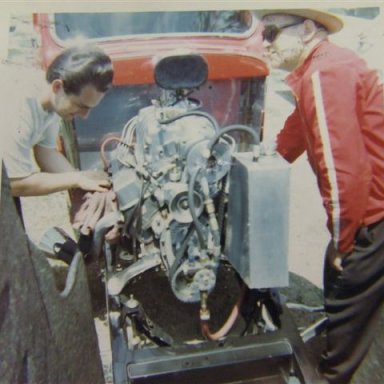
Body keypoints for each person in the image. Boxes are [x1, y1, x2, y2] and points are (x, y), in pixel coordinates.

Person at [258, 8, 384, 384]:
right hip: (371, 208)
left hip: (375, 215)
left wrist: (342, 241)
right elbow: (298, 128)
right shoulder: (322, 68)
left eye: (272, 33)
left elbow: (341, 169)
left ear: (308, 29)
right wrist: (265, 164)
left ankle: (333, 375)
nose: (265, 43)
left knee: (346, 295)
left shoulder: (324, 74)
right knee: (339, 284)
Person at [2, 44, 114, 222]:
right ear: (57, 87)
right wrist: (75, 180)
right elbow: (13, 184)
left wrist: (82, 179)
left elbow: (45, 152)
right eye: (81, 106)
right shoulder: (17, 110)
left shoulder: (51, 100)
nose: (85, 116)